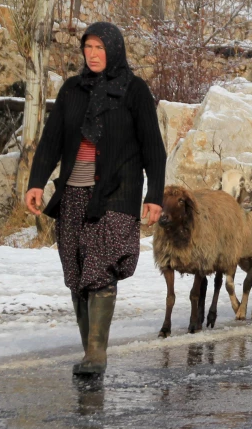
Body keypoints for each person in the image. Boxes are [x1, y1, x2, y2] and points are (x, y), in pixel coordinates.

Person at [25, 22, 166, 377]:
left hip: (117, 192)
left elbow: (154, 148)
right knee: (75, 270)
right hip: (73, 193)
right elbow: (51, 141)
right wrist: (37, 182)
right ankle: (90, 349)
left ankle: (96, 354)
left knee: (100, 267)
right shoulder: (72, 90)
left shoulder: (134, 91)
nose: (93, 54)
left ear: (115, 50)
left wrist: (154, 196)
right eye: (88, 48)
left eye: (100, 48)